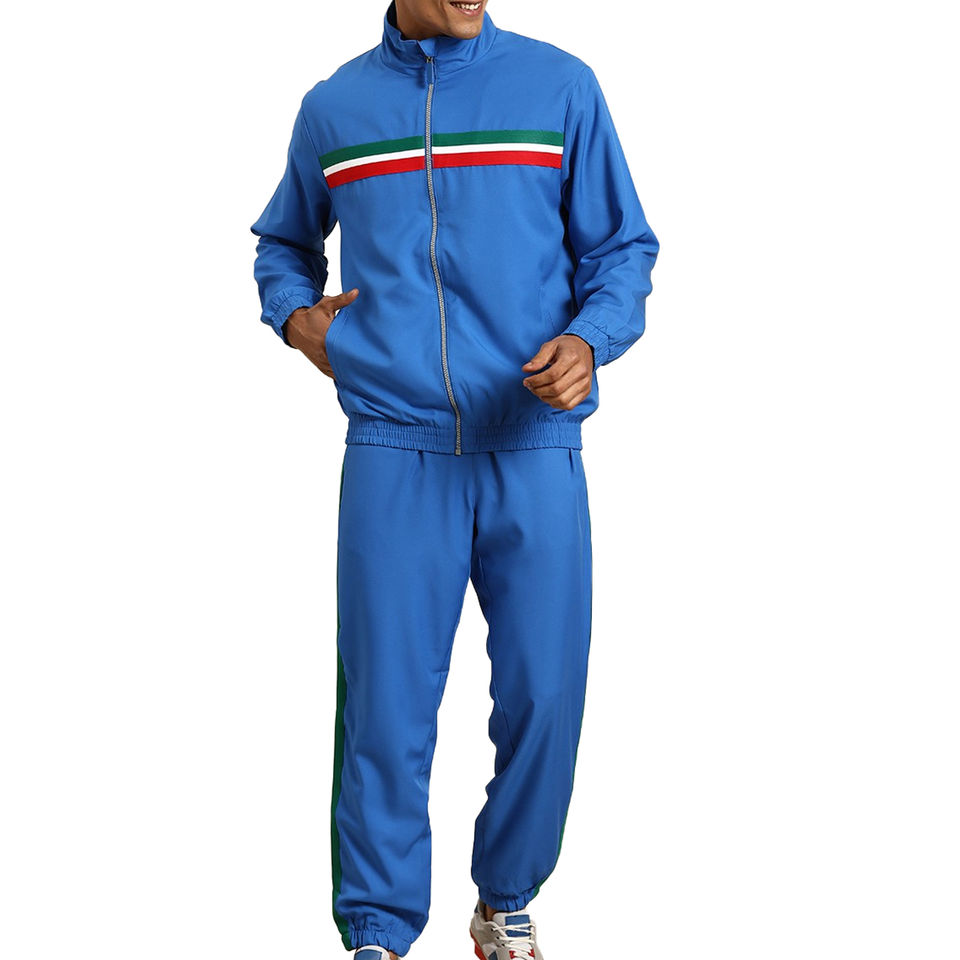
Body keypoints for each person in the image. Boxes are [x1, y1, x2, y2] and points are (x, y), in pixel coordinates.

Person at [250, 1, 658, 956]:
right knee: (385, 708)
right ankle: (378, 930)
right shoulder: (335, 107)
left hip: (533, 443)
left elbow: (622, 249)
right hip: (394, 446)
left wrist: (590, 341)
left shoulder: (560, 87)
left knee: (546, 696)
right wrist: (296, 317)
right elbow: (282, 243)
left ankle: (504, 897)